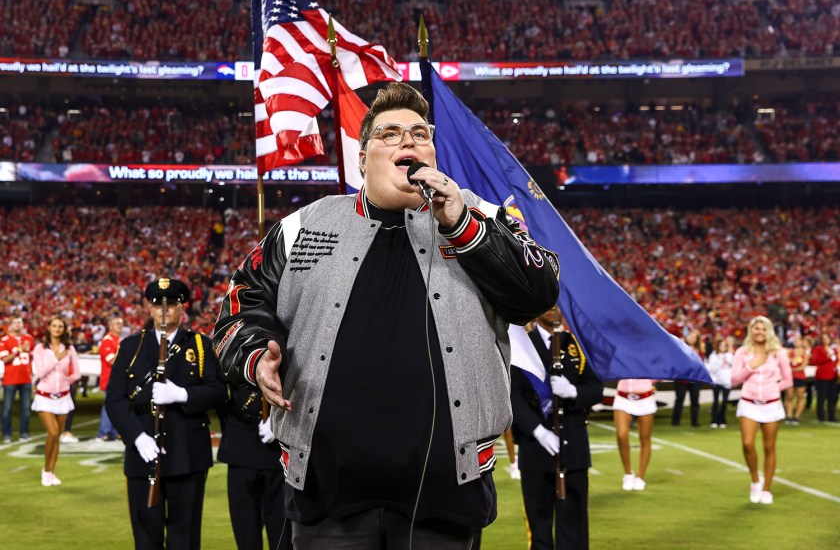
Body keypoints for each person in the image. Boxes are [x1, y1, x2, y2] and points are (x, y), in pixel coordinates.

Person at [213, 82, 560, 549]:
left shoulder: (482, 214)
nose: (408, 142)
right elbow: (239, 305)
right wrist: (256, 357)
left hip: (446, 492)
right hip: (326, 492)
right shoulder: (304, 226)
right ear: (361, 159)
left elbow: (540, 291)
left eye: (420, 133)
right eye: (390, 134)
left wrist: (461, 224)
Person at [105, 278, 226, 550]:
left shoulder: (199, 345)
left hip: (187, 454)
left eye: (171, 303)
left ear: (182, 308)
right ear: (149, 308)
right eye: (157, 303)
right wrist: (137, 437)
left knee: (185, 537)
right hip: (143, 455)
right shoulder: (131, 347)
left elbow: (218, 392)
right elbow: (114, 398)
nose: (164, 309)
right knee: (146, 539)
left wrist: (183, 395)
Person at [509, 307, 603, 550]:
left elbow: (595, 388)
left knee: (574, 526)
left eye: (557, 302)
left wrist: (574, 392)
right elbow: (512, 394)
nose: (553, 308)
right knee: (539, 528)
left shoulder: (577, 346)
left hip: (572, 448)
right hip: (535, 449)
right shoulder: (521, 346)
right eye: (547, 303)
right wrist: (537, 430)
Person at [218, 382, 290, 550]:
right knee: (245, 530)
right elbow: (220, 388)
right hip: (240, 445)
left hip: (278, 452)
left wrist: (280, 420)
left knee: (282, 536)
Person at [731, 315, 793, 505]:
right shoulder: (742, 352)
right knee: (748, 444)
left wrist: (774, 388)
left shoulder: (778, 352)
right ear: (751, 331)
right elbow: (734, 380)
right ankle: (756, 481)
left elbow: (788, 380)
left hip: (771, 403)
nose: (759, 332)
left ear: (769, 331)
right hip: (748, 402)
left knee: (769, 447)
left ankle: (767, 489)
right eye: (756, 328)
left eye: (763, 328)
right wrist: (751, 366)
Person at [30, 315, 81, 486]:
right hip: (44, 396)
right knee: (52, 432)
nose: (57, 329)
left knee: (57, 436)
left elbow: (77, 373)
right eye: (54, 325)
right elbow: (40, 372)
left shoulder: (70, 348)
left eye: (60, 326)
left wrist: (67, 381)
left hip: (63, 397)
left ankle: (51, 472)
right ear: (49, 328)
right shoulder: (39, 348)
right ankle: (46, 470)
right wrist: (57, 358)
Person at [613, 378, 657, 491]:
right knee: (621, 435)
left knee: (645, 438)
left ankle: (640, 477)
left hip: (645, 397)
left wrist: (650, 381)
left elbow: (659, 369)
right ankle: (628, 474)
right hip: (623, 397)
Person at [1, 315, 35, 443]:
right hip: (10, 379)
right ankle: (6, 434)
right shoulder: (5, 340)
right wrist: (19, 350)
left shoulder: (29, 338)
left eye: (19, 322)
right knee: (7, 408)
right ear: (10, 325)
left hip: (26, 378)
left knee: (26, 408)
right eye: (15, 322)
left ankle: (24, 433)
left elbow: (33, 355)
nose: (17, 324)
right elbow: (5, 359)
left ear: (23, 324)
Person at [96, 315, 123, 441]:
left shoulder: (119, 340)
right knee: (109, 406)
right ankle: (104, 432)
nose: (120, 326)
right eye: (117, 324)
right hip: (109, 379)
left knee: (118, 406)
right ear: (111, 326)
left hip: (118, 379)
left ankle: (115, 431)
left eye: (121, 324)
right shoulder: (107, 340)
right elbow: (113, 361)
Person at [672, 329, 703, 427]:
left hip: (695, 380)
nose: (691, 338)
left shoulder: (700, 351)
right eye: (690, 336)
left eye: (694, 337)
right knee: (679, 400)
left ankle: (695, 421)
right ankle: (675, 421)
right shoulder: (681, 347)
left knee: (695, 401)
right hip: (682, 379)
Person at [808, 332, 838, 423]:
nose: (825, 340)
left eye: (827, 338)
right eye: (824, 338)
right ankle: (821, 416)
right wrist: (827, 357)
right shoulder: (818, 349)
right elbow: (816, 360)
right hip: (822, 376)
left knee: (832, 398)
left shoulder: (834, 350)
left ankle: (831, 416)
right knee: (821, 397)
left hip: (833, 376)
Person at [707, 337, 733, 428]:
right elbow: (711, 368)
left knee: (724, 402)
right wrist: (720, 363)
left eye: (724, 346)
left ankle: (722, 420)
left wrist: (727, 361)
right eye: (721, 345)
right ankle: (714, 420)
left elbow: (733, 367)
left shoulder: (730, 355)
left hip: (727, 382)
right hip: (716, 381)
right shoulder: (713, 356)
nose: (723, 347)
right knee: (715, 402)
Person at [784, 335, 808, 425]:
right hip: (790, 378)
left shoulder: (805, 354)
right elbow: (785, 362)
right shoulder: (789, 352)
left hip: (800, 377)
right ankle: (789, 416)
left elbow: (802, 366)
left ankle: (796, 417)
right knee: (789, 397)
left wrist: (791, 369)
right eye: (795, 340)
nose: (796, 342)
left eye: (798, 340)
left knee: (800, 397)